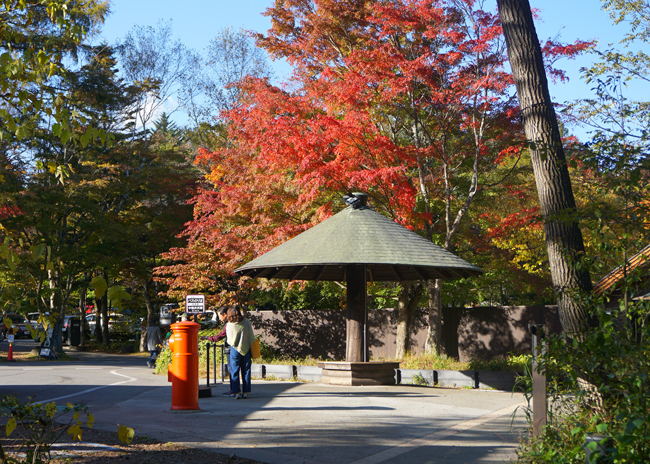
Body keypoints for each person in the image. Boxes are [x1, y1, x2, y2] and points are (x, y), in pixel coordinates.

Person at [225, 306, 255, 399]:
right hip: (246, 348)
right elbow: (251, 336)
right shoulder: (246, 322)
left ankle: (236, 392)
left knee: (234, 370)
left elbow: (229, 340)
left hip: (234, 349)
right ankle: (245, 392)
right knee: (246, 370)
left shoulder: (229, 324)